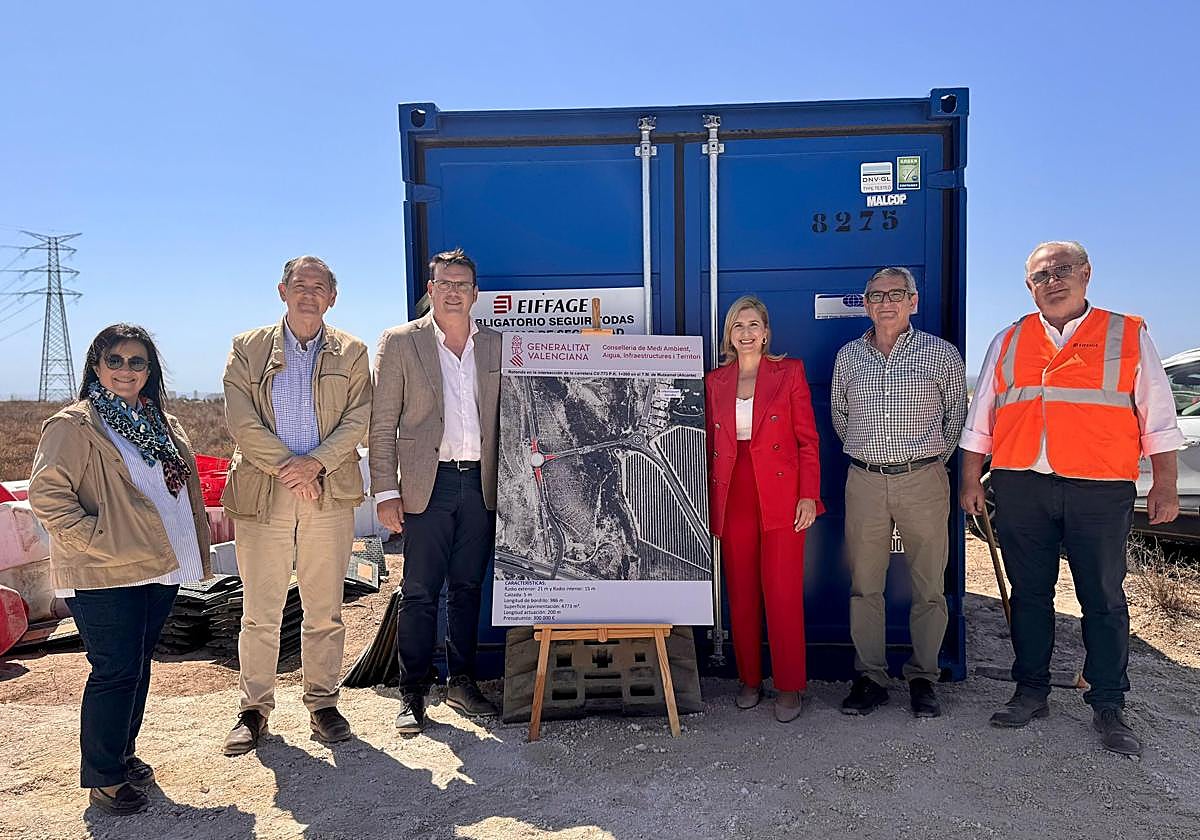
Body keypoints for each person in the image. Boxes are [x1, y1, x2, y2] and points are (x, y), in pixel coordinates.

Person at [961, 240, 1182, 756]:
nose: (1052, 280)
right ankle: (1030, 689)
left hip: (1100, 488)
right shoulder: (1009, 338)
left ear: (1086, 274)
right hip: (1022, 486)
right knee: (1030, 593)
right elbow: (982, 420)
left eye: (1062, 270)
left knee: (1102, 599)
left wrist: (1166, 483)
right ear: (1028, 286)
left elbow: (1158, 414)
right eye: (1041, 275)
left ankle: (1109, 703)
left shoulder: (1126, 334)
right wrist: (973, 479)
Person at [28, 324, 211, 816]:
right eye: (116, 360)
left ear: (149, 371)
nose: (126, 370)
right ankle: (104, 778)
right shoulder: (75, 425)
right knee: (114, 670)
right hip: (105, 571)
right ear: (96, 366)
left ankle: (121, 755)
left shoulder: (162, 423)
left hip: (159, 564)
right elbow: (46, 494)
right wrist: (94, 540)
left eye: (137, 362)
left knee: (136, 665)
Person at [219, 256, 372, 755]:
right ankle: (253, 709)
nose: (309, 293)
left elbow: (357, 419)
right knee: (261, 610)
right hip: (264, 489)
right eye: (300, 285)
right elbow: (241, 420)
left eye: (320, 286)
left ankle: (323, 703)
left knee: (324, 608)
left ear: (333, 296)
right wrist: (290, 466)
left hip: (326, 489)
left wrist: (315, 466)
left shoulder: (352, 351)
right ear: (282, 291)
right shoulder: (247, 348)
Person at [369, 247, 502, 734]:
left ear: (475, 294)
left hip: (481, 484)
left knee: (468, 589)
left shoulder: (496, 345)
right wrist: (385, 491)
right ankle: (413, 692)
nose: (453, 292)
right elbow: (381, 425)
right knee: (420, 592)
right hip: (429, 485)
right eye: (444, 283)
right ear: (430, 290)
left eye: (462, 285)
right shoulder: (401, 343)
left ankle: (463, 682)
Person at [831, 267, 967, 718]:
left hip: (923, 479)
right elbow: (840, 416)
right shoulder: (848, 357)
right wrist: (872, 457)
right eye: (876, 295)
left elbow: (955, 418)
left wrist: (926, 463)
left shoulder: (942, 355)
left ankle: (923, 677)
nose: (885, 302)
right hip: (865, 480)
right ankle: (870, 676)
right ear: (865, 304)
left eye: (896, 293)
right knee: (864, 585)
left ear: (913, 301)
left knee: (929, 585)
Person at [705, 295, 823, 722]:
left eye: (754, 324)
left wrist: (808, 494)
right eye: (739, 325)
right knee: (740, 591)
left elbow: (808, 440)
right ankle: (750, 678)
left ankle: (790, 685)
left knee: (782, 590)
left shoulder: (789, 373)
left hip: (782, 493)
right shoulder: (714, 381)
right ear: (729, 335)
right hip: (733, 491)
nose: (747, 333)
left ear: (767, 332)